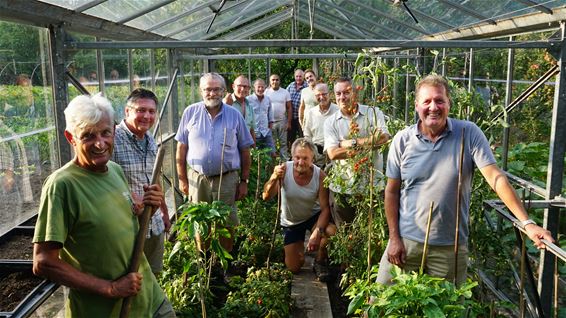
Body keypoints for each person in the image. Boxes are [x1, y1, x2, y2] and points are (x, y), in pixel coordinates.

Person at [376, 74, 554, 285]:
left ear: (449, 104)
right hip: (407, 241)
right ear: (417, 106)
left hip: (449, 247)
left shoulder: (468, 134)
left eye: (439, 100)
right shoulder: (403, 140)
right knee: (381, 303)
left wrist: (527, 223)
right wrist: (394, 237)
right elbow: (391, 191)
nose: (433, 107)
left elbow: (495, 177)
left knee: (446, 309)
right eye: (427, 101)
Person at [32, 94, 174, 317]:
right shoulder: (62, 186)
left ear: (114, 131)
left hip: (150, 299)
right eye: (88, 136)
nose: (100, 143)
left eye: (105, 133)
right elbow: (43, 262)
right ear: (71, 138)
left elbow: (117, 229)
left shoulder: (115, 171)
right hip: (107, 310)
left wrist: (148, 210)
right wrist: (109, 288)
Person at [175, 72, 253, 252]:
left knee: (226, 223)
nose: (212, 93)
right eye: (208, 90)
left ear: (223, 90)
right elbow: (181, 149)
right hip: (198, 178)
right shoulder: (190, 112)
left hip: (226, 178)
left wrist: (244, 181)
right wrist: (182, 179)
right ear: (201, 91)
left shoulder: (234, 115)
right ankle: (205, 260)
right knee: (200, 222)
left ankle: (223, 264)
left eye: (216, 89)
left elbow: (245, 150)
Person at [112, 88, 171, 275]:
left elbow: (155, 180)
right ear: (127, 111)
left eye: (151, 112)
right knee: (131, 279)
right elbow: (104, 181)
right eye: (141, 110)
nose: (147, 116)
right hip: (128, 228)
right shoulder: (113, 139)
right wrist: (130, 198)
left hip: (154, 226)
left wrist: (164, 211)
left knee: (153, 279)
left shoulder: (150, 141)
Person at [262, 138, 336, 281]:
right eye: (297, 158)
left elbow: (325, 208)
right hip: (291, 222)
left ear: (312, 158)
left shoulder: (319, 176)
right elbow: (266, 196)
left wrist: (316, 233)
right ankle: (299, 249)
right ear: (292, 156)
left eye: (305, 158)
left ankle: (320, 261)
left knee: (331, 231)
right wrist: (273, 178)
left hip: (312, 216)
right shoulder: (283, 170)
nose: (301, 162)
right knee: (294, 267)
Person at [324, 77, 390, 226]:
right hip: (343, 188)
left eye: (346, 92)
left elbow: (383, 138)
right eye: (338, 93)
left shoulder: (372, 112)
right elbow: (333, 154)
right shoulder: (331, 122)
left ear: (355, 93)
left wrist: (350, 143)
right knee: (345, 234)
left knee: (371, 232)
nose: (342, 97)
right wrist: (370, 142)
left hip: (372, 187)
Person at [303, 83, 338, 167]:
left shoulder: (338, 111)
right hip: (317, 156)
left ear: (329, 94)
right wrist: (311, 153)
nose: (321, 97)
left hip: (335, 155)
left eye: (324, 94)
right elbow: (307, 136)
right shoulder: (311, 113)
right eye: (318, 95)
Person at [265, 74, 292, 160]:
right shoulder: (266, 92)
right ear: (270, 81)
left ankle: (285, 161)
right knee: (271, 143)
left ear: (279, 81)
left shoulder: (285, 92)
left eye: (277, 80)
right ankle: (272, 163)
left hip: (282, 121)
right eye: (273, 80)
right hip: (270, 122)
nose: (275, 81)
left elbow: (289, 107)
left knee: (283, 143)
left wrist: (289, 122)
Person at [223, 75, 256, 143]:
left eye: (245, 86)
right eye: (239, 86)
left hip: (245, 147)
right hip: (230, 146)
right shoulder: (226, 102)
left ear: (249, 89)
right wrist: (226, 106)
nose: (243, 89)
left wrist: (254, 147)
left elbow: (251, 129)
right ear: (233, 87)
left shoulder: (249, 106)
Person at [249, 78, 276, 156]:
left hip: (266, 132)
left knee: (272, 154)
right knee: (255, 155)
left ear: (265, 87)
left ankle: (272, 168)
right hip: (254, 132)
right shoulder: (248, 100)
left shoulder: (267, 99)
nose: (260, 89)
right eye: (258, 87)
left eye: (262, 87)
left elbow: (270, 116)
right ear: (254, 87)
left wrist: (269, 129)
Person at [286, 69, 307, 146]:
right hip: (291, 117)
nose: (298, 78)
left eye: (300, 76)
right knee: (290, 137)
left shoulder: (307, 86)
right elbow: (285, 96)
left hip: (302, 117)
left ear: (303, 77)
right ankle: (291, 154)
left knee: (303, 137)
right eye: (297, 76)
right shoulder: (291, 85)